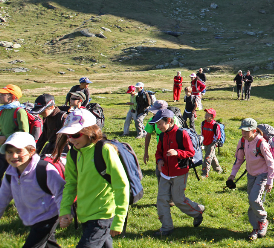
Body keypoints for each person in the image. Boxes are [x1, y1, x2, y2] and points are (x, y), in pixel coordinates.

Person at [56, 109, 129, 247]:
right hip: (84, 215)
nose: (71, 139)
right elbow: (70, 184)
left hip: (104, 215)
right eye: (68, 135)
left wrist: (119, 219)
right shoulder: (73, 155)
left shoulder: (105, 150)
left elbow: (121, 185)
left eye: (75, 134)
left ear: (90, 132)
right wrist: (65, 210)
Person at [0, 132, 65, 248]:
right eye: (9, 152)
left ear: (31, 151)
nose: (14, 156)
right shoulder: (10, 173)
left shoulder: (44, 169)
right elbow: (2, 198)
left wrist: (64, 213)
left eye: (19, 151)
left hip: (48, 216)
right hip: (32, 217)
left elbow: (61, 191)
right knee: (48, 244)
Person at [152, 109, 205, 237]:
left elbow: (191, 152)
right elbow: (159, 151)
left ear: (168, 121)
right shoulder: (162, 135)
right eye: (157, 125)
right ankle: (166, 228)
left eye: (160, 124)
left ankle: (197, 211)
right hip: (165, 173)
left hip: (179, 172)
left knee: (178, 199)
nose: (158, 127)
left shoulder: (182, 134)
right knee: (161, 200)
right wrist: (159, 160)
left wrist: (177, 153)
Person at [228, 118, 274, 240]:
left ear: (254, 131)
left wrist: (270, 181)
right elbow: (239, 160)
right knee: (251, 201)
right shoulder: (243, 142)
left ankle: (263, 221)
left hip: (262, 174)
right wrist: (232, 175)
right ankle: (256, 228)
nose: (243, 133)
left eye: (247, 131)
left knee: (254, 199)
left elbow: (271, 164)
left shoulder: (261, 144)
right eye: (242, 130)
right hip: (251, 175)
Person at [143, 101, 183, 181]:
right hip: (161, 150)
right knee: (160, 173)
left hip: (174, 151)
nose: (153, 114)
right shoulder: (152, 120)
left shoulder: (173, 119)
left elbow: (179, 134)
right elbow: (148, 136)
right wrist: (146, 152)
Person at [0, 84, 29, 181]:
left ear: (13, 97)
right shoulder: (3, 111)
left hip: (14, 150)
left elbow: (24, 132)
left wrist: (5, 138)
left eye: (3, 94)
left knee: (14, 175)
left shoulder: (19, 111)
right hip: (2, 148)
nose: (0, 96)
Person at [201, 108, 223, 176]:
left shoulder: (215, 125)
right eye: (206, 114)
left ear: (212, 116)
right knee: (212, 156)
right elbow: (202, 133)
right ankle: (218, 169)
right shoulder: (203, 123)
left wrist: (213, 143)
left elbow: (218, 136)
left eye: (208, 114)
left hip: (212, 143)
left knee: (207, 157)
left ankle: (205, 173)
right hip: (205, 142)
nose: (206, 115)